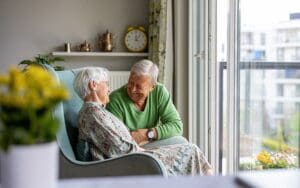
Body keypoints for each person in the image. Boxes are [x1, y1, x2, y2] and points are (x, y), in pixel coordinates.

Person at [73, 67, 213, 176]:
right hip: (132, 161)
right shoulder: (93, 113)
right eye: (106, 84)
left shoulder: (97, 111)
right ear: (93, 85)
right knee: (191, 151)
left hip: (134, 154)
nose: (109, 89)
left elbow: (117, 143)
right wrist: (145, 151)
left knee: (188, 148)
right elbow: (119, 148)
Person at [106, 59, 182, 145]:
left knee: (183, 143)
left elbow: (177, 126)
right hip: (130, 148)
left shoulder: (159, 92)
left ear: (152, 87)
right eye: (130, 83)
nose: (132, 90)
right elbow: (117, 140)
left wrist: (148, 134)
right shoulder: (115, 99)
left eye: (139, 86)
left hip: (152, 140)